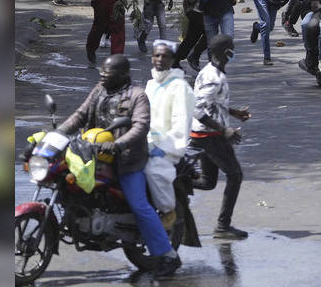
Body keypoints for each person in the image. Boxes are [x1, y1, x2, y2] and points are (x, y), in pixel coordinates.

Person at [58, 54, 182, 276]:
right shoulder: (99, 89)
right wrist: (58, 134)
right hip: (94, 154)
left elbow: (140, 126)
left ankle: (168, 255)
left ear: (123, 74)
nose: (103, 75)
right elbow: (80, 115)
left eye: (108, 73)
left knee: (139, 205)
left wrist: (118, 145)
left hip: (127, 160)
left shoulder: (137, 96)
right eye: (102, 72)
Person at [189, 35, 252, 240]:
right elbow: (197, 109)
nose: (234, 52)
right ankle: (223, 226)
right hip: (210, 135)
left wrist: (234, 113)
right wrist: (224, 130)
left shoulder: (210, 72)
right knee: (235, 175)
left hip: (202, 134)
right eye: (232, 48)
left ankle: (175, 181)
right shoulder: (213, 77)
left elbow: (212, 104)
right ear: (226, 52)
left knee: (208, 182)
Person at [144, 40, 195, 226]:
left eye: (165, 56)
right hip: (145, 142)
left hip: (167, 147)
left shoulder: (179, 87)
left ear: (172, 59)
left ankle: (167, 211)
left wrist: (162, 148)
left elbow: (180, 125)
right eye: (156, 55)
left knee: (154, 170)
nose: (160, 59)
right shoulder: (151, 84)